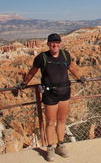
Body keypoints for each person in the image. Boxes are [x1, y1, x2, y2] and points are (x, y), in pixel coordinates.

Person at [20, 33, 86, 162]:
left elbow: (71, 67)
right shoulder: (42, 57)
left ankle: (60, 146)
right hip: (50, 94)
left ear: (60, 43)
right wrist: (24, 83)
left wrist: (79, 77)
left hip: (64, 92)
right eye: (52, 43)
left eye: (57, 42)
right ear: (48, 44)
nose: (55, 45)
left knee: (61, 121)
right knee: (50, 122)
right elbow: (32, 72)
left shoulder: (65, 54)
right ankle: (50, 148)